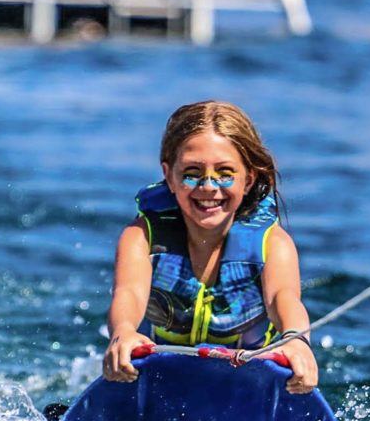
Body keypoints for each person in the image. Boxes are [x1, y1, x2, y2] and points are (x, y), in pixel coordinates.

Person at [102, 101, 319, 394]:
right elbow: (128, 293)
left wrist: (296, 340)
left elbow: (284, 298)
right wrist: (123, 332)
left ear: (248, 179)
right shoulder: (142, 238)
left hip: (246, 387)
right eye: (192, 172)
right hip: (159, 383)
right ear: (169, 175)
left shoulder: (272, 244)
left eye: (225, 172)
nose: (208, 186)